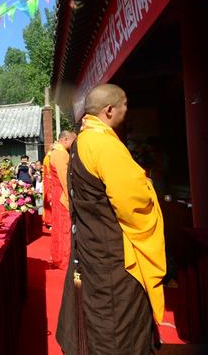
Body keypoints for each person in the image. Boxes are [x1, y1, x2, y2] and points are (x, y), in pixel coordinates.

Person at [57, 84, 166, 354]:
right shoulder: (104, 144)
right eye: (125, 105)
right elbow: (133, 204)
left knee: (99, 317)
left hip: (91, 245)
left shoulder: (82, 141)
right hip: (113, 255)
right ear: (109, 110)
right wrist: (148, 186)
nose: (127, 110)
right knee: (119, 325)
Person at [49, 131, 76, 270]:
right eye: (73, 140)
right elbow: (65, 179)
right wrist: (71, 197)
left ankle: (60, 258)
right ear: (65, 139)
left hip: (58, 194)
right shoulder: (60, 154)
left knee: (61, 228)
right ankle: (64, 261)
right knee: (65, 229)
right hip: (62, 196)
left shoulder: (56, 152)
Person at [42, 146, 55, 229]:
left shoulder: (48, 156)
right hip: (50, 182)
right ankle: (50, 221)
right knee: (50, 203)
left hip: (48, 181)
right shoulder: (49, 157)